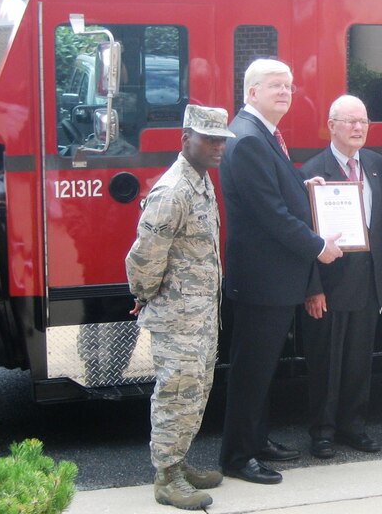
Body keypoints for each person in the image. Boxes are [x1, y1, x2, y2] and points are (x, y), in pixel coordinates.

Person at [219, 59, 343, 485]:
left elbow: (275, 191)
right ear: (251, 92)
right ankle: (238, 456)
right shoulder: (250, 139)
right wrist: (318, 246)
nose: (285, 92)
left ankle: (257, 439)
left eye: (289, 85)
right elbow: (269, 215)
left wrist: (304, 188)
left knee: (263, 368)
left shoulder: (261, 134)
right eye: (275, 85)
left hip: (269, 279)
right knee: (251, 370)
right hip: (261, 280)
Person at [125, 104, 235, 510]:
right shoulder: (173, 191)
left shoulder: (201, 183)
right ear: (185, 139)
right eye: (208, 139)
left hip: (201, 316)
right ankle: (166, 478)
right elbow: (145, 256)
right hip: (178, 318)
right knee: (175, 392)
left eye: (221, 139)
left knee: (195, 391)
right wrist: (144, 294)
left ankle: (179, 461)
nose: (218, 147)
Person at [299, 95, 382, 459]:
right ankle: (322, 431)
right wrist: (313, 288)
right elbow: (302, 235)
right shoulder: (311, 169)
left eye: (363, 122)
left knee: (358, 361)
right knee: (326, 363)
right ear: (331, 125)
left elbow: (380, 222)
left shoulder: (375, 164)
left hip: (368, 281)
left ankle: (353, 426)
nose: (357, 128)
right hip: (330, 286)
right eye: (349, 121)